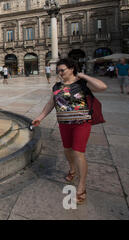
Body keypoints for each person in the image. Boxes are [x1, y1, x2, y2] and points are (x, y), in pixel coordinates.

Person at [32, 58, 107, 205]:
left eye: (62, 70)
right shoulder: (57, 86)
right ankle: (72, 169)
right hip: (64, 123)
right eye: (58, 71)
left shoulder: (82, 84)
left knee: (78, 152)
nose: (60, 73)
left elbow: (102, 87)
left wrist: (83, 76)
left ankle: (81, 185)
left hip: (81, 123)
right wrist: (40, 117)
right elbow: (51, 103)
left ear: (72, 69)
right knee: (67, 150)